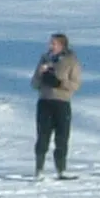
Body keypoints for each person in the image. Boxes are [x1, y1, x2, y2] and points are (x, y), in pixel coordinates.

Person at [31, 32, 82, 179]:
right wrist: (42, 76)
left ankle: (61, 170)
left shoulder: (71, 61)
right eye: (50, 43)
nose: (50, 46)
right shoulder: (45, 59)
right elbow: (34, 83)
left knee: (61, 137)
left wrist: (60, 83)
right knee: (42, 136)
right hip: (45, 102)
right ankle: (38, 169)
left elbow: (76, 84)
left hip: (62, 102)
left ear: (62, 45)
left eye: (54, 44)